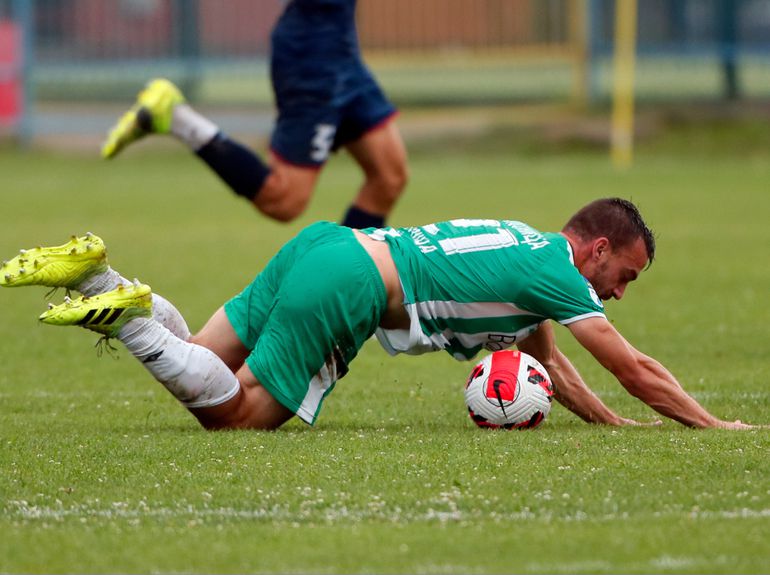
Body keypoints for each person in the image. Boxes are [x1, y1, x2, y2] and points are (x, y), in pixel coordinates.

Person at [0, 198, 760, 430]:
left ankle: (101, 272)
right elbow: (632, 368)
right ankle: (127, 316)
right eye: (622, 277)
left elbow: (550, 363)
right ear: (596, 250)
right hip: (353, 282)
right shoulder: (561, 276)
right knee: (237, 416)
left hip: (329, 245)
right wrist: (716, 425)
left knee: (204, 355)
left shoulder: (532, 255)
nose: (617, 294)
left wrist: (614, 429)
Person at [101, 0, 408, 229]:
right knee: (284, 200)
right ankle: (177, 118)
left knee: (388, 177)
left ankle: (345, 280)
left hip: (341, 47)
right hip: (312, 55)